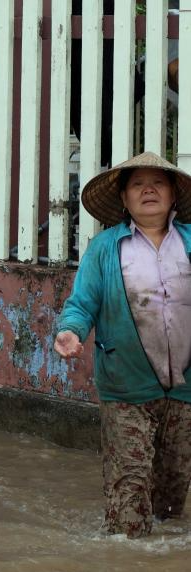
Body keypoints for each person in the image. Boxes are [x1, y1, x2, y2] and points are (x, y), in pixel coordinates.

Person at [54, 151, 191, 538]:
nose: (149, 190)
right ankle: (125, 558)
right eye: (138, 184)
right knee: (129, 495)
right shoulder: (105, 248)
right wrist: (71, 331)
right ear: (124, 199)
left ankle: (155, 569)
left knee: (171, 501)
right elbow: (82, 303)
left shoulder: (189, 242)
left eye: (158, 183)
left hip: (186, 391)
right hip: (126, 387)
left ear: (174, 195)